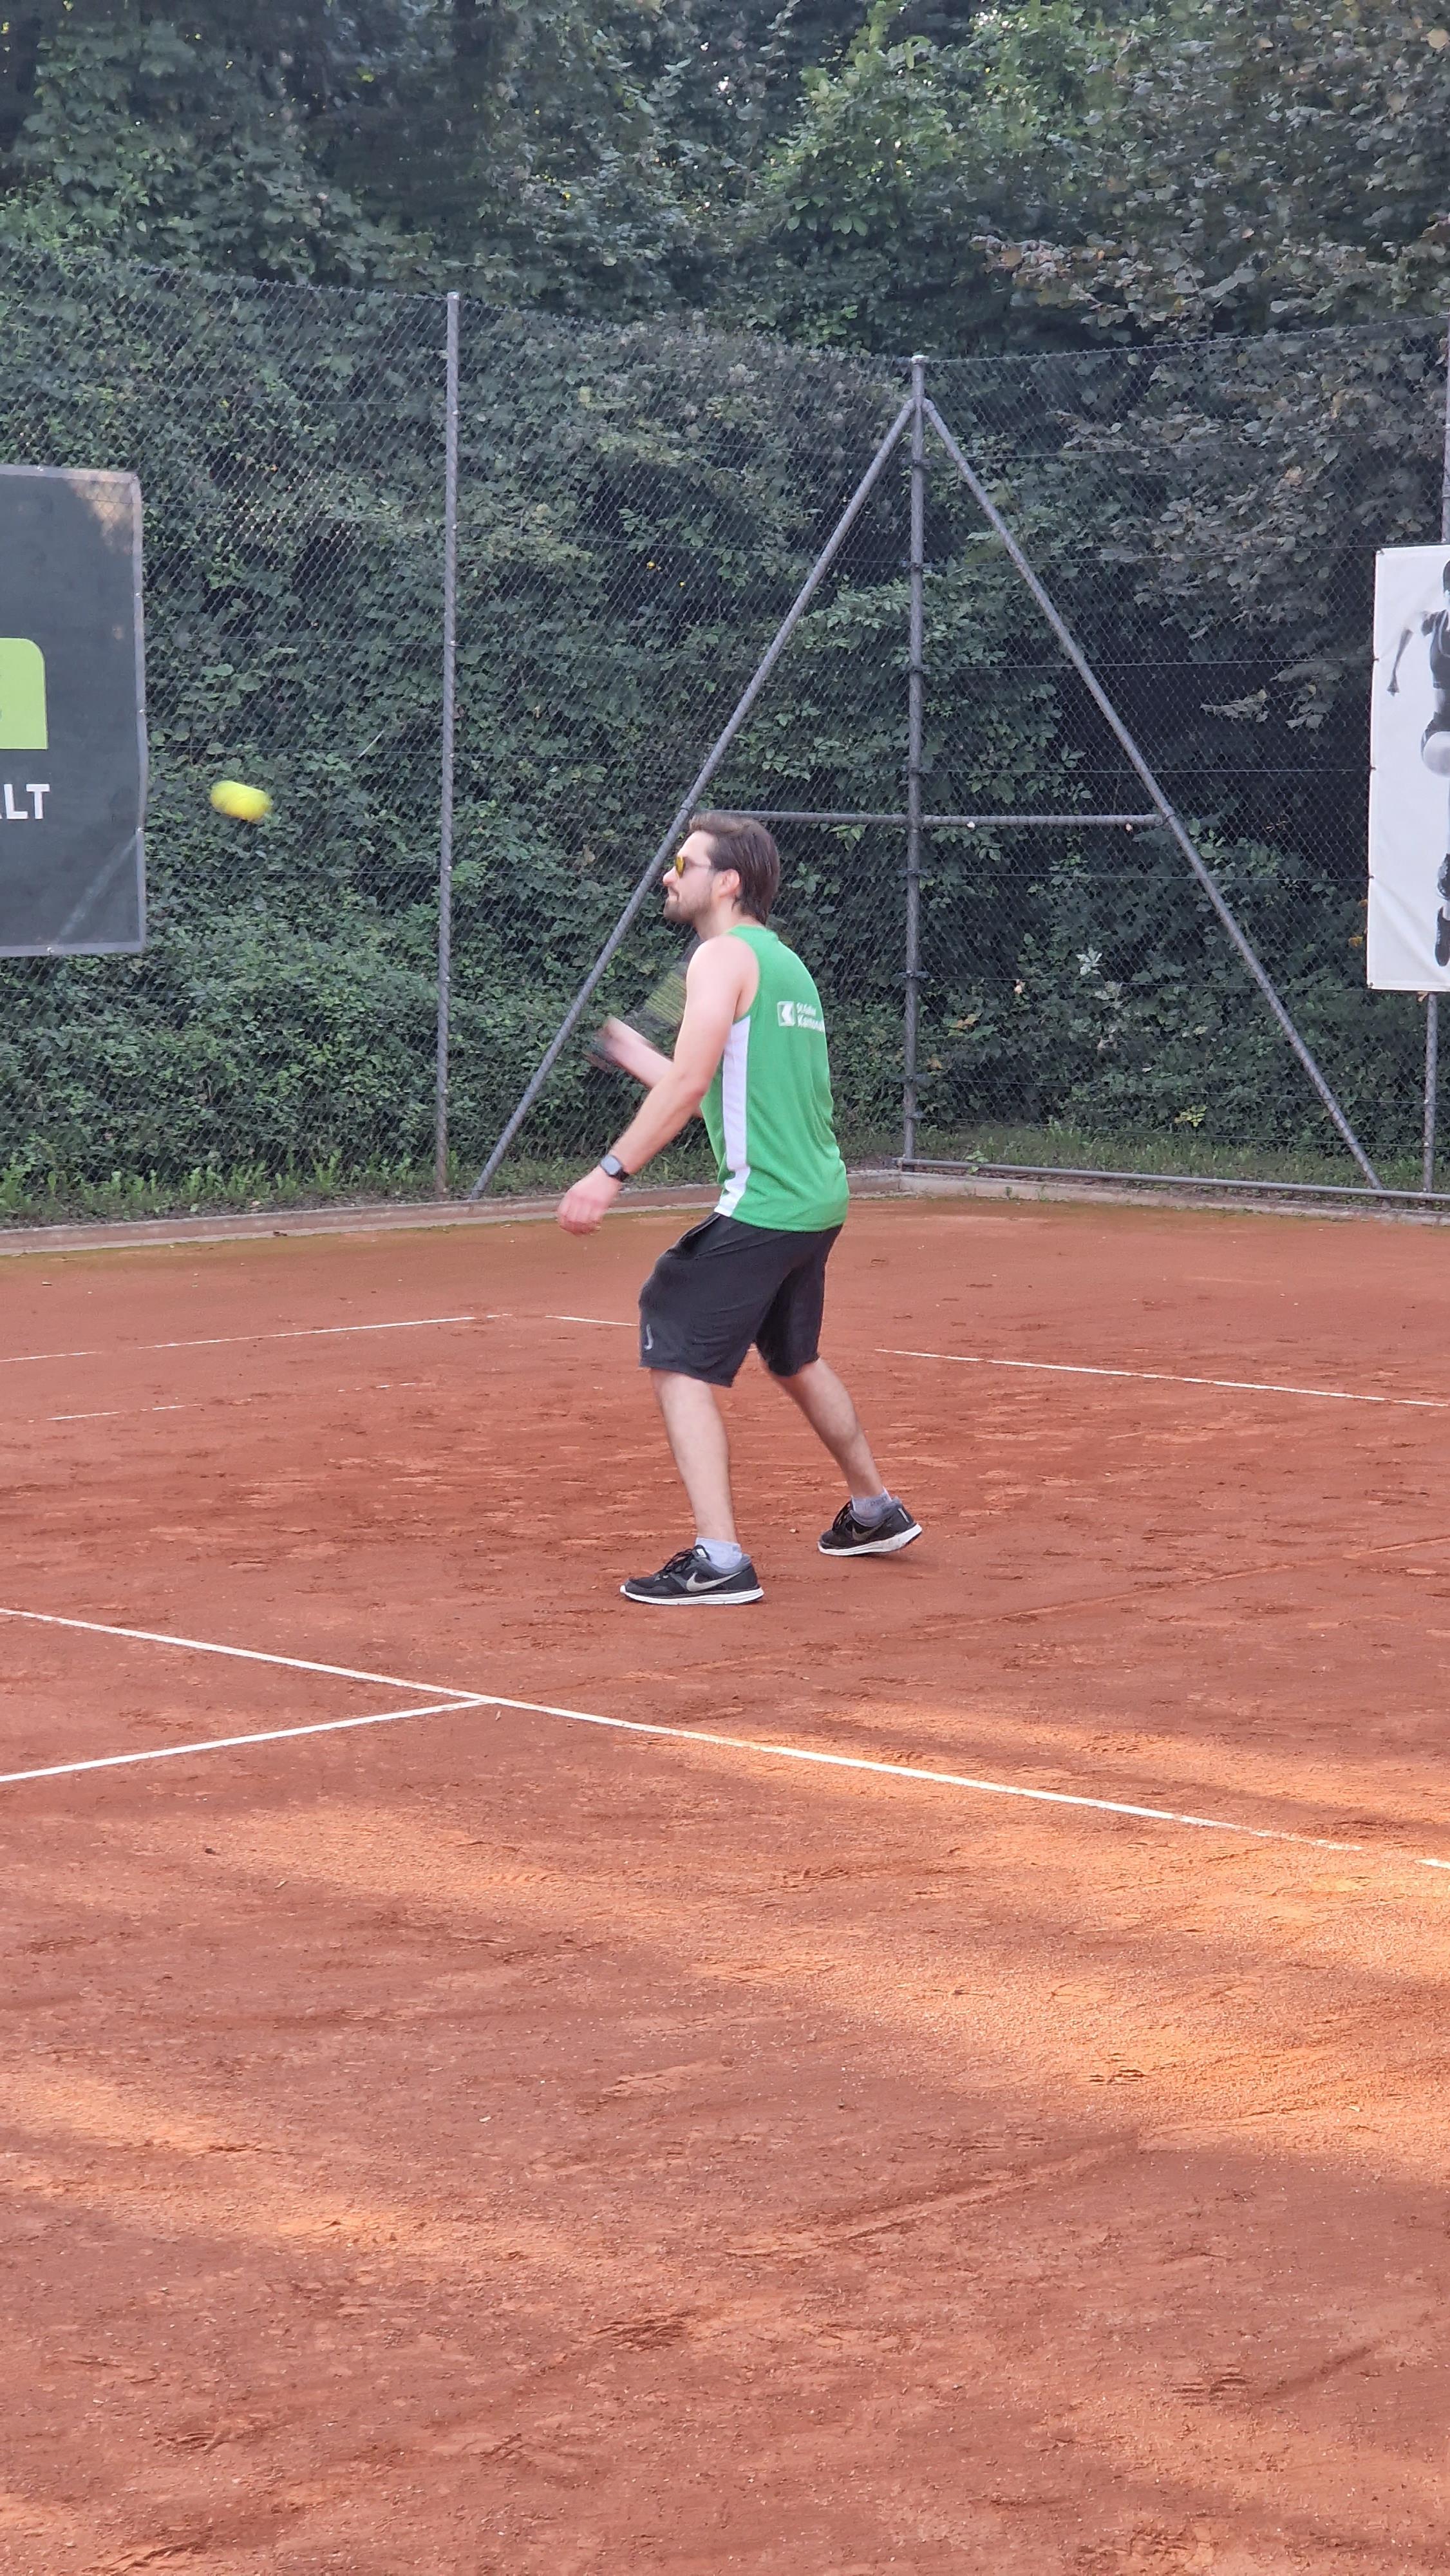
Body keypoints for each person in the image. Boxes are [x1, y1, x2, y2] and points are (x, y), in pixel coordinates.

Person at [556, 811, 921, 1605]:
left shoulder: (718, 958)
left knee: (672, 1329)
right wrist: (639, 1054)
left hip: (765, 1201)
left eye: (683, 864)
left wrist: (608, 1172)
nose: (669, 875)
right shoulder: (782, 963)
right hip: (815, 1199)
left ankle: (719, 1559)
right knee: (792, 1357)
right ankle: (873, 1510)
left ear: (726, 881)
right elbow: (714, 1085)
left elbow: (692, 1086)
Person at [1388, 558, 1450, 965]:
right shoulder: (1438, 622)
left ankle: (1446, 914)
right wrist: (1393, 671)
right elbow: (1407, 623)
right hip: (1441, 737)